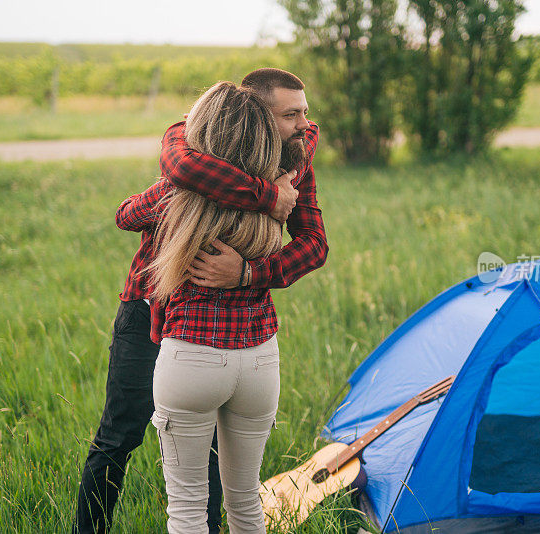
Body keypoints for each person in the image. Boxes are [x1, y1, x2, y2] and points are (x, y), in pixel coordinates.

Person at [73, 67, 326, 533]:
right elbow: (179, 164)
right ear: (255, 115)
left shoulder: (293, 162)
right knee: (118, 436)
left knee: (205, 455)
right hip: (149, 310)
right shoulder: (192, 163)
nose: (306, 127)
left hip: (200, 336)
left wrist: (249, 272)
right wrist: (265, 197)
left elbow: (314, 244)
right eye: (292, 115)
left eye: (304, 114)